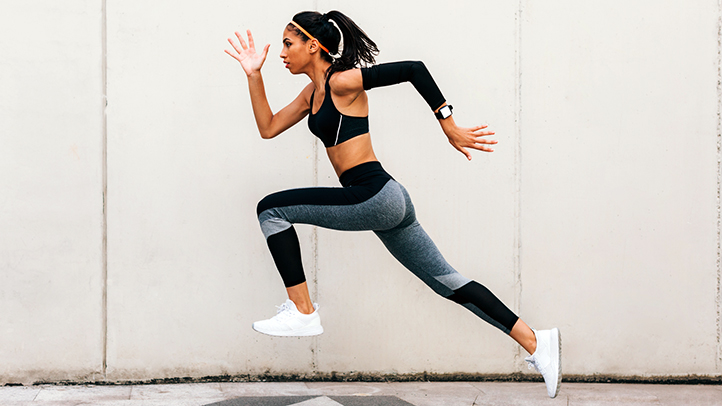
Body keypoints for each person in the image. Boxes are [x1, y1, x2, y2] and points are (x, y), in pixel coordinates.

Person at [225, 10, 561, 398]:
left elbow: (414, 69)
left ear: (312, 46)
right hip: (387, 200)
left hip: (371, 196)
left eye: (288, 43)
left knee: (272, 210)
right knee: (449, 283)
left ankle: (302, 310)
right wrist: (253, 75)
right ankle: (537, 341)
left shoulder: (342, 81)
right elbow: (268, 127)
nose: (282, 53)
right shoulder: (310, 94)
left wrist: (448, 124)